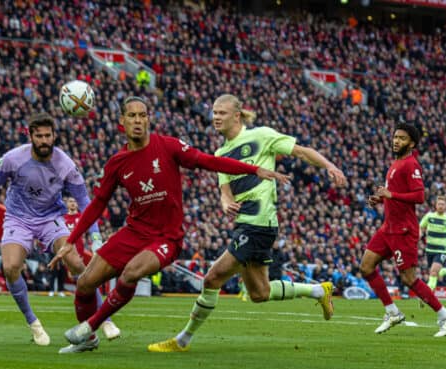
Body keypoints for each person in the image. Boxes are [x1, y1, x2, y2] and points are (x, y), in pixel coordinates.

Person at [50, 96, 288, 353]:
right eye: (132, 116)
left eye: (143, 115)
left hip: (166, 238)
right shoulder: (117, 163)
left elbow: (208, 161)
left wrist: (253, 170)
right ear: (122, 122)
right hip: (133, 232)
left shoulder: (168, 146)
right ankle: (88, 341)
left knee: (131, 272)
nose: (138, 121)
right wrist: (71, 240)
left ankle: (90, 327)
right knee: (85, 283)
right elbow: (97, 204)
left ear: (149, 119)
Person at [148, 94, 346, 352]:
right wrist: (225, 203)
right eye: (214, 113)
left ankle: (182, 340)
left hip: (259, 221)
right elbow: (224, 191)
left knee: (212, 278)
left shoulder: (261, 135)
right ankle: (319, 291)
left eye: (222, 113)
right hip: (245, 224)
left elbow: (300, 151)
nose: (216, 117)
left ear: (237, 116)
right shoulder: (220, 153)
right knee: (259, 293)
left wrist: (329, 165)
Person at [0, 112, 119, 347]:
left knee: (75, 262)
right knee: (11, 267)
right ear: (30, 136)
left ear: (54, 136)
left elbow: (84, 200)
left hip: (50, 219)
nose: (44, 140)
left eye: (47, 136)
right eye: (39, 136)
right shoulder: (13, 158)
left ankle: (104, 318)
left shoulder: (65, 165)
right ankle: (33, 322)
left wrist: (94, 234)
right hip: (17, 219)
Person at [360, 123, 446, 337]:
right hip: (388, 228)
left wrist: (391, 196)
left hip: (404, 230)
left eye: (402, 138)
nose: (396, 141)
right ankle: (392, 312)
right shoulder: (396, 163)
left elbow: (419, 196)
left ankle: (445, 315)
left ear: (411, 143)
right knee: (366, 267)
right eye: (395, 137)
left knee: (408, 278)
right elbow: (393, 194)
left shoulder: (411, 165)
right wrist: (381, 198)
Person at [64, 196, 121, 342]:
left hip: (81, 259)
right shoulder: (62, 218)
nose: (73, 203)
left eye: (75, 201)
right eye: (71, 201)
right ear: (66, 203)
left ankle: (101, 324)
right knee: (85, 290)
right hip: (69, 259)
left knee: (87, 288)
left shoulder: (82, 217)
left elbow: (92, 231)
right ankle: (99, 325)